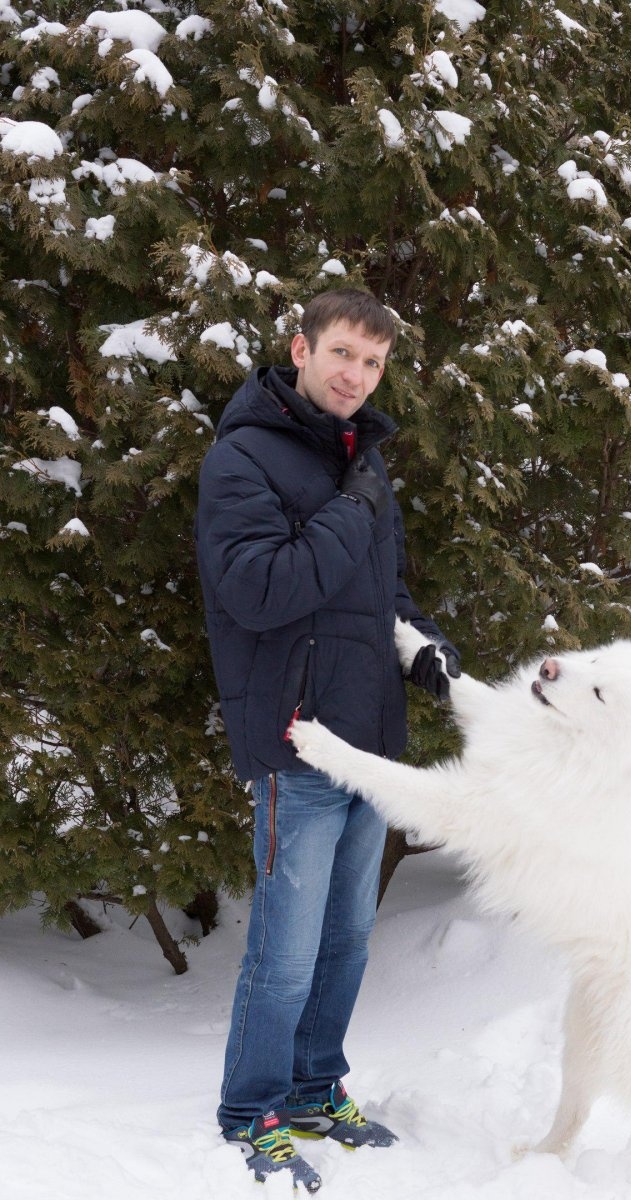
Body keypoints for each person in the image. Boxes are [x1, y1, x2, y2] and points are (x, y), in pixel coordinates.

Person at [194, 288, 460, 1192]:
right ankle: (252, 1109)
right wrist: (351, 508)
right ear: (302, 350)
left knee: (347, 941)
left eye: (374, 364)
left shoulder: (362, 463)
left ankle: (313, 1086)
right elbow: (263, 591)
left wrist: (424, 647)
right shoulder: (242, 459)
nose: (356, 375)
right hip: (297, 743)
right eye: (343, 353)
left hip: (369, 744)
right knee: (288, 950)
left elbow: (378, 593)